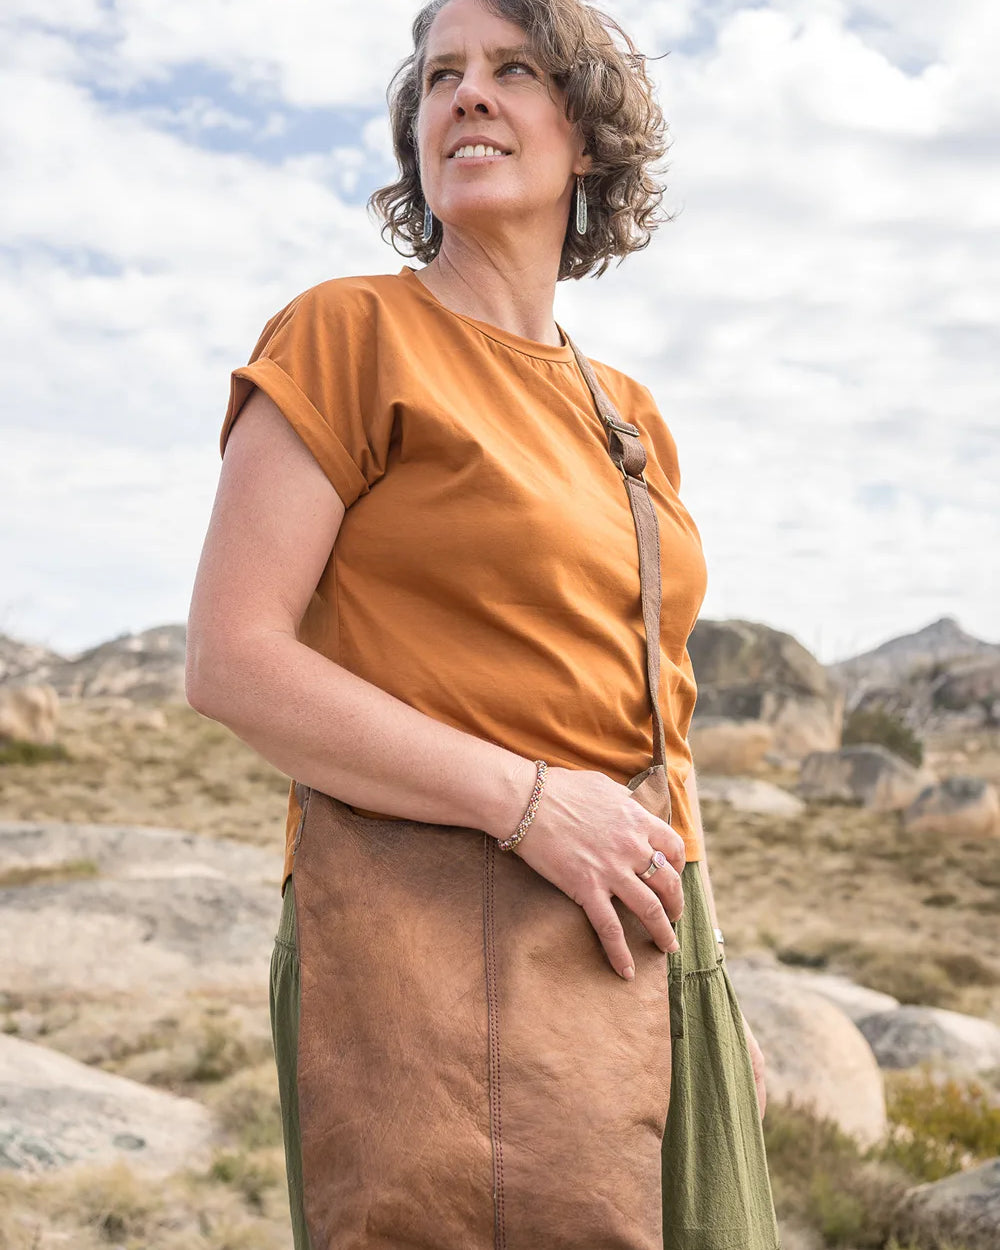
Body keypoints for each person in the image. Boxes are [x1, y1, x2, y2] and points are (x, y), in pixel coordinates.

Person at [186, 0, 781, 1246]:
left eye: (513, 68)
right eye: (439, 74)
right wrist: (528, 799)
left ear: (589, 135)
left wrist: (713, 984)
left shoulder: (627, 411)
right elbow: (233, 660)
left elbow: (651, 713)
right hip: (437, 948)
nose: (464, 94)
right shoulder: (348, 334)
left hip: (642, 937)